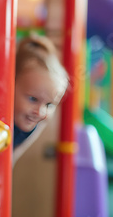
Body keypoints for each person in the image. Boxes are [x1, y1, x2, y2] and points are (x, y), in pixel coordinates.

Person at [12, 34, 69, 164]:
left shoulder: (34, 123)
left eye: (49, 105)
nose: (40, 112)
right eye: (33, 99)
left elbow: (12, 158)